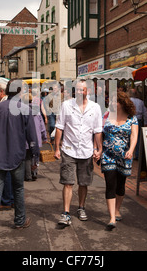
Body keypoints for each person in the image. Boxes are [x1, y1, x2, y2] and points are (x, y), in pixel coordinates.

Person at [0, 79, 39, 245]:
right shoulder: (24, 109)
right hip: (17, 156)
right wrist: (35, 156)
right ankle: (20, 221)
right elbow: (32, 136)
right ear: (20, 91)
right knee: (18, 188)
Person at [54, 80, 103, 226]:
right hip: (69, 150)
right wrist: (57, 148)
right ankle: (66, 212)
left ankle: (81, 207)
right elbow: (59, 127)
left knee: (83, 183)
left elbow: (97, 130)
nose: (80, 92)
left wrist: (98, 149)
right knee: (68, 182)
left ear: (88, 91)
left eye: (83, 90)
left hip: (86, 151)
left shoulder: (95, 108)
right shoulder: (66, 105)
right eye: (78, 90)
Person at [100, 91, 138, 230]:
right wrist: (98, 149)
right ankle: (111, 218)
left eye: (113, 101)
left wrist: (131, 150)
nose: (110, 103)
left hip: (124, 156)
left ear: (122, 103)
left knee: (120, 186)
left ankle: (117, 209)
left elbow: (134, 136)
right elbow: (99, 133)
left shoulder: (132, 118)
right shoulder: (106, 115)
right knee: (110, 184)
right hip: (108, 155)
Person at [23, 93, 47, 181]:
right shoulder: (36, 110)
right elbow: (42, 125)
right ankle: (34, 172)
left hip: (26, 137)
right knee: (35, 155)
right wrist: (44, 137)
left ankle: (28, 175)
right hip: (36, 137)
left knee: (27, 156)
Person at [128, 88, 147, 160]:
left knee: (129, 137)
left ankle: (128, 153)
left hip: (129, 120)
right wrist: (146, 122)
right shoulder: (141, 102)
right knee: (137, 137)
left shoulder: (128, 101)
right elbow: (145, 112)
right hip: (138, 120)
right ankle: (137, 154)